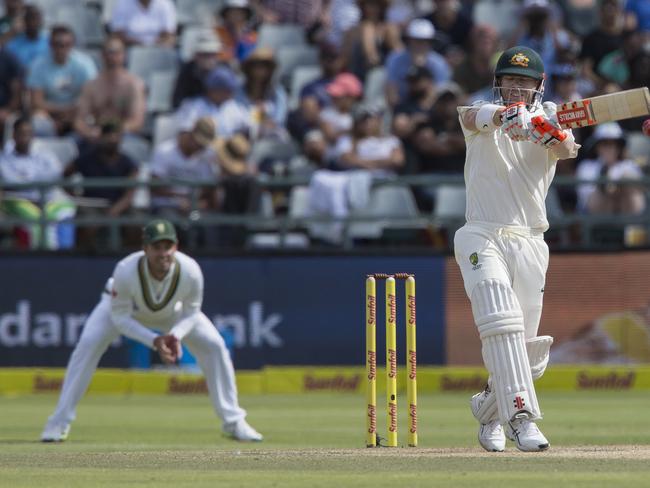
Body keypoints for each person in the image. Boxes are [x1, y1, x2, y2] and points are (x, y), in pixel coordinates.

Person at [454, 46, 580, 452]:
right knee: (500, 319)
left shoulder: (553, 120)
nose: (516, 88)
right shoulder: (481, 115)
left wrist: (550, 133)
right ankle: (523, 418)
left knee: (526, 352)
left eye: (524, 82)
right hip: (481, 233)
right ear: (499, 84)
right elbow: (471, 116)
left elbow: (567, 150)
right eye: (510, 80)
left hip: (530, 240)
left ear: (538, 87)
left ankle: (489, 409)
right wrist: (505, 116)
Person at [40, 218, 263, 443]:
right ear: (145, 249)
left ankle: (233, 422)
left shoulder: (191, 271)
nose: (163, 253)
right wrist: (154, 340)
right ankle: (59, 421)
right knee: (88, 344)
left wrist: (175, 335)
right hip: (123, 310)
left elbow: (192, 314)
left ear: (175, 247)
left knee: (214, 346)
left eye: (167, 247)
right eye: (156, 247)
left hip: (171, 313)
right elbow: (119, 318)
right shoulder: (125, 270)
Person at [74, 35, 146, 143]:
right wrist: (89, 132)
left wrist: (112, 131)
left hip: (124, 134)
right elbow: (80, 120)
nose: (112, 57)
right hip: (96, 133)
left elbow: (136, 121)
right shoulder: (91, 85)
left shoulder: (134, 84)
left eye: (116, 52)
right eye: (109, 52)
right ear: (102, 55)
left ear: (124, 55)